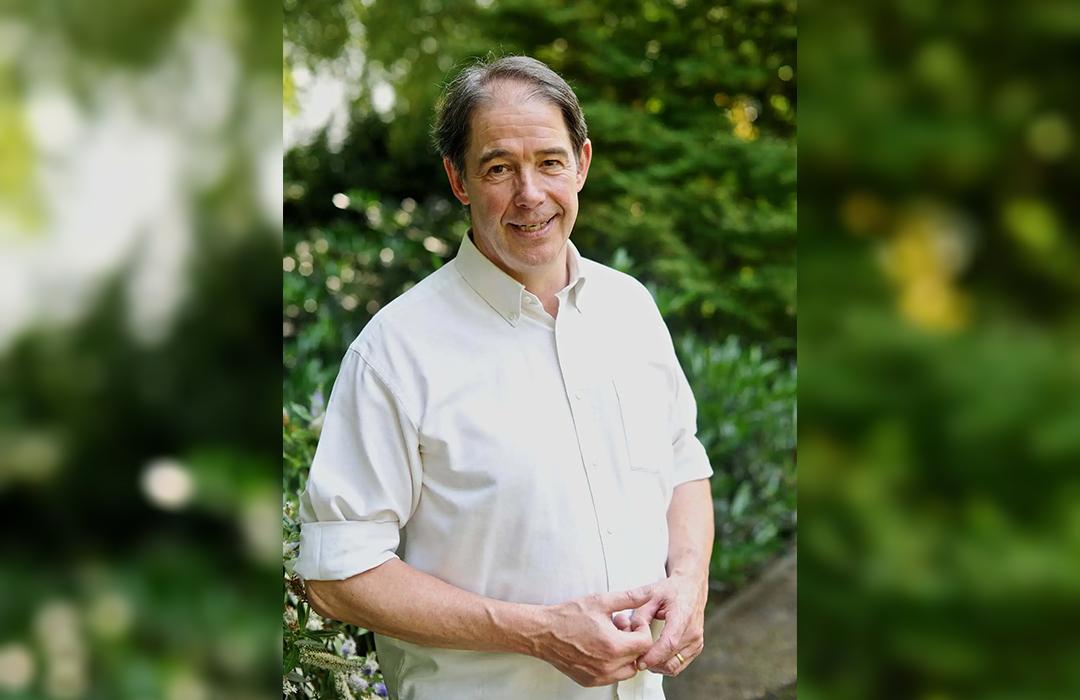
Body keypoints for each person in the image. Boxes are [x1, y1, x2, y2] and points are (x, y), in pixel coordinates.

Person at [293, 55, 715, 700]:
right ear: (458, 180)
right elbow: (338, 574)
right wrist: (539, 632)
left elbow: (683, 466)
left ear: (582, 163)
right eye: (498, 168)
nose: (530, 194)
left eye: (549, 161)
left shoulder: (630, 307)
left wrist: (689, 581)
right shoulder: (394, 351)